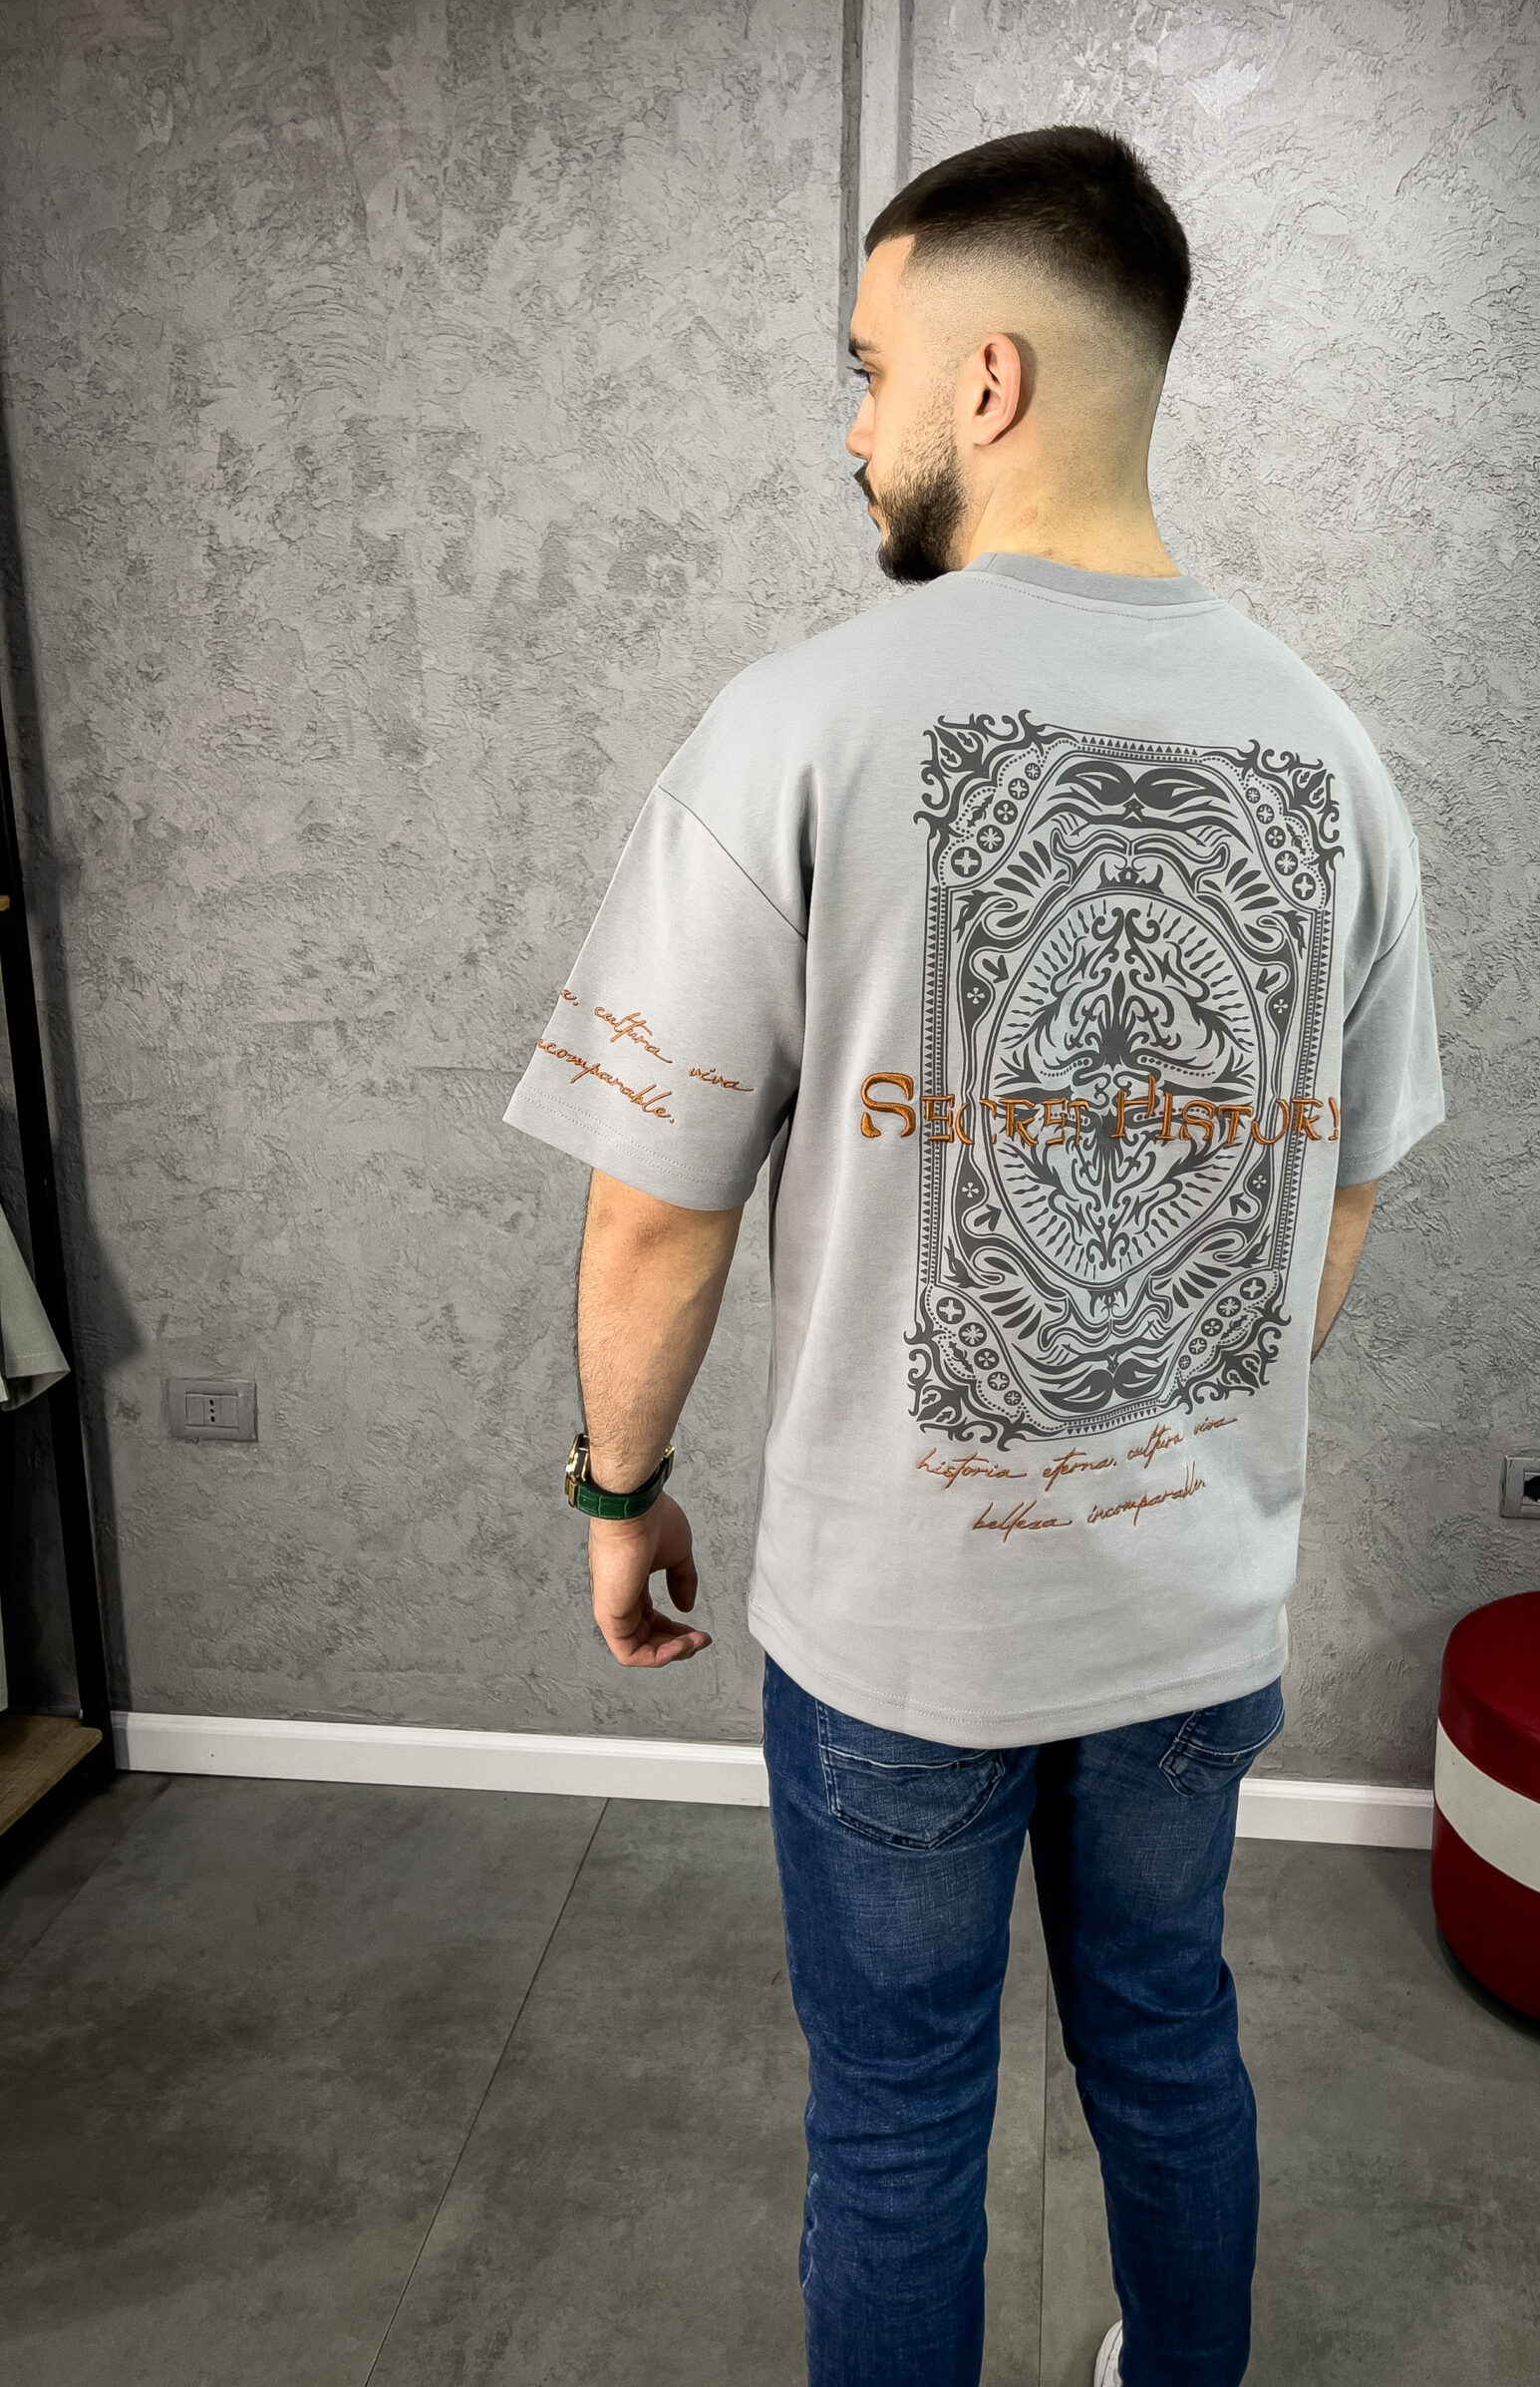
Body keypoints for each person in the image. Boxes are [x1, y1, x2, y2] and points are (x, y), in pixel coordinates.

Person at [503, 126, 1445, 2387]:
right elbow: (1341, 1182)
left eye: (868, 365)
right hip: (1191, 1605)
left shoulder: (798, 723)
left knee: (904, 2110)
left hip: (902, 1631)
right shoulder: (1335, 755)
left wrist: (618, 1487)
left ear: (988, 377)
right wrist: (1180, 1420)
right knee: (1169, 2039)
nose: (853, 424)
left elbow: (655, 1206)